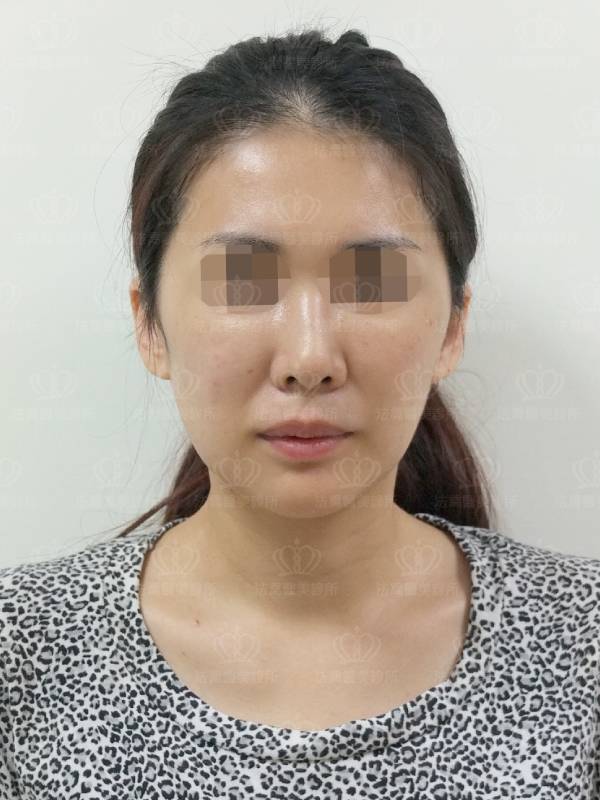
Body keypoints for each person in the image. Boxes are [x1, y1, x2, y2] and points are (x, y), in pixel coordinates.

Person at [2, 26, 600, 798]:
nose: (310, 356)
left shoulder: (581, 643)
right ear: (149, 324)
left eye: (372, 281)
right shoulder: (23, 653)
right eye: (242, 281)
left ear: (453, 326)